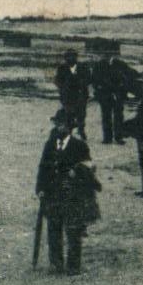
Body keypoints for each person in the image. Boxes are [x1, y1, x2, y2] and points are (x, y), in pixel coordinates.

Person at [35, 107, 101, 275]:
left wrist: (76, 172)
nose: (59, 128)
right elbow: (43, 167)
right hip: (53, 193)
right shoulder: (50, 145)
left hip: (72, 194)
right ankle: (56, 263)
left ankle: (73, 265)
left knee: (73, 230)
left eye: (63, 125)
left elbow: (88, 167)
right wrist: (40, 188)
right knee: (53, 228)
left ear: (70, 127)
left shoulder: (79, 146)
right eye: (57, 124)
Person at [91, 53, 136, 145]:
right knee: (106, 116)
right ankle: (107, 138)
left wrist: (123, 87)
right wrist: (98, 90)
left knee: (119, 116)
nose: (106, 56)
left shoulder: (120, 64)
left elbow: (130, 74)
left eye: (109, 54)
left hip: (118, 94)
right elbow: (94, 79)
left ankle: (119, 137)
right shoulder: (98, 65)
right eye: (105, 54)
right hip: (105, 95)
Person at [55, 51, 91, 135]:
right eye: (68, 57)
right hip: (67, 95)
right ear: (65, 58)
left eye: (73, 57)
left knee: (81, 114)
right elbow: (57, 80)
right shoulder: (62, 68)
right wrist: (63, 87)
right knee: (68, 114)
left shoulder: (83, 67)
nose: (70, 59)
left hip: (81, 94)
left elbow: (89, 78)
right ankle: (69, 131)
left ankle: (81, 130)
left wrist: (82, 84)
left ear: (76, 57)